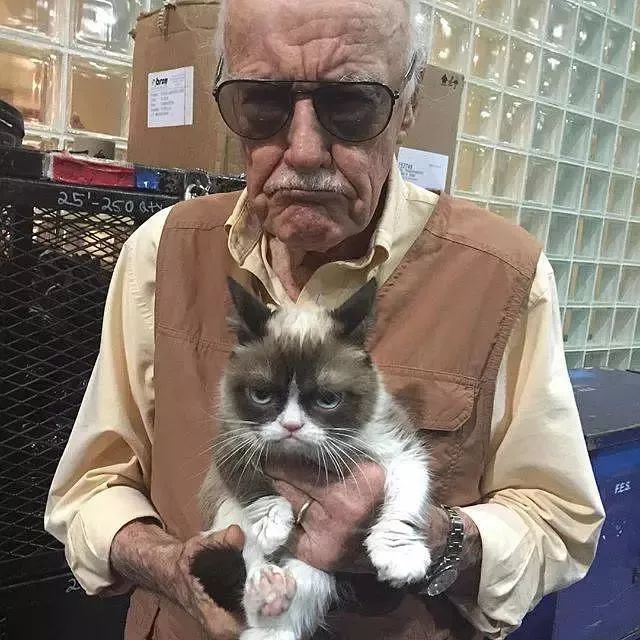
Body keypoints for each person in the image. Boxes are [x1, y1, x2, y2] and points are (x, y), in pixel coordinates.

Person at [45, 0, 605, 638]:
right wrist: (175, 571)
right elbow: (90, 489)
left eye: (352, 105)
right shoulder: (160, 251)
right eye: (262, 103)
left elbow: (560, 524)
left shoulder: (502, 275)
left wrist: (432, 539)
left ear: (409, 103)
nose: (304, 150)